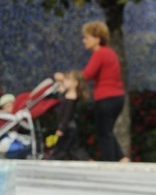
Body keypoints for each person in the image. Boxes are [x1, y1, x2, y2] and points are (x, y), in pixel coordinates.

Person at [79, 21, 126, 162]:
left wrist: (68, 78)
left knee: (104, 133)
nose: (84, 41)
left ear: (97, 38)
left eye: (87, 37)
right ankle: (122, 158)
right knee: (107, 131)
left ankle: (110, 164)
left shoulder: (99, 54)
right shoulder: (110, 53)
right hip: (118, 98)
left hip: (105, 98)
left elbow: (87, 75)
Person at [47, 70, 88, 160]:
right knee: (70, 148)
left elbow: (67, 116)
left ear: (75, 83)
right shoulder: (67, 94)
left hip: (68, 128)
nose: (64, 81)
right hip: (66, 127)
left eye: (67, 80)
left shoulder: (72, 97)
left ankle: (54, 158)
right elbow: (57, 77)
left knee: (65, 148)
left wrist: (61, 128)